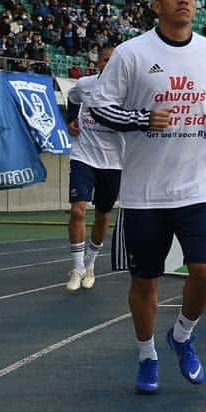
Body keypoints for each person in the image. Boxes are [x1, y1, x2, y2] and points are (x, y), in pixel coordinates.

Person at [89, 0, 206, 395]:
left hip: (200, 186)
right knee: (145, 282)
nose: (183, 1)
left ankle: (183, 336)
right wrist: (139, 119)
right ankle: (147, 354)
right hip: (145, 192)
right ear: (156, 5)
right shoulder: (132, 54)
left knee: (205, 272)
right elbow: (99, 108)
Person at [64, 45, 123, 291]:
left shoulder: (127, 90)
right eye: (105, 60)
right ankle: (77, 268)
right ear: (98, 62)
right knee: (78, 211)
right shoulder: (86, 84)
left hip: (113, 162)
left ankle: (90, 263)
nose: (109, 64)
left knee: (102, 216)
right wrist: (70, 120)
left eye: (113, 61)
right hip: (83, 156)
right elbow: (71, 98)